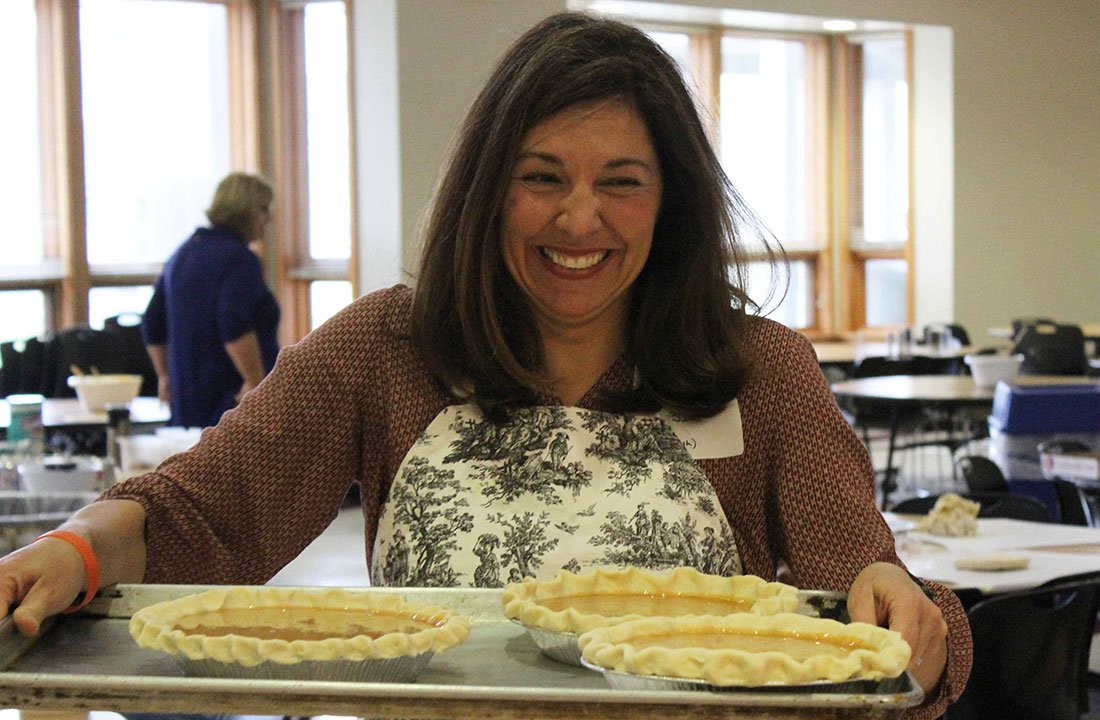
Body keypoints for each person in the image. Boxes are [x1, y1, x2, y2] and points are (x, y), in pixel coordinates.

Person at [0, 12, 969, 718]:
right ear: (483, 187)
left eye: (619, 185)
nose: (577, 219)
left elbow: (862, 587)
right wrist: (75, 549)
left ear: (670, 203)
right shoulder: (385, 351)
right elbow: (202, 509)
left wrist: (903, 624)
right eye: (540, 178)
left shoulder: (755, 368)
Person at [141, 172, 280, 428]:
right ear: (244, 209)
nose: (269, 218)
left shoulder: (182, 254)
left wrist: (164, 376)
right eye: (264, 209)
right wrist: (255, 383)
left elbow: (152, 323)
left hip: (187, 403)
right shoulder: (240, 260)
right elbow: (233, 324)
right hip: (230, 403)